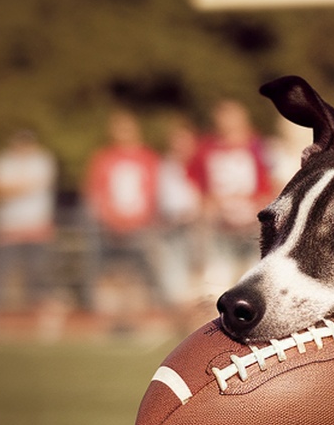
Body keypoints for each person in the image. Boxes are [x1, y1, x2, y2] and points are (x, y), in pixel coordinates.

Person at [84, 109, 161, 324]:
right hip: (109, 227)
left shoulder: (149, 157)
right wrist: (105, 219)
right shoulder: (103, 157)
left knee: (138, 276)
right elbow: (94, 193)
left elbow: (154, 193)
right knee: (112, 276)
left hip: (140, 227)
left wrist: (145, 220)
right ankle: (113, 321)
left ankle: (135, 320)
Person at [188, 99, 273, 293]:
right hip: (220, 225)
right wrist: (204, 206)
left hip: (252, 222)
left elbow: (270, 182)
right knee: (218, 281)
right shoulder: (207, 148)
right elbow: (196, 183)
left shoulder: (258, 146)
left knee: (254, 280)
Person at [0, 129, 58, 315]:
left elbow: (13, 188)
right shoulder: (2, 162)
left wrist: (13, 188)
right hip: (8, 227)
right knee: (1, 271)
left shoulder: (42, 161)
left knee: (38, 272)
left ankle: (34, 313)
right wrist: (22, 187)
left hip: (36, 225)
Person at [155, 118, 205, 317]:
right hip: (170, 227)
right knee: (175, 281)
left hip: (198, 228)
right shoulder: (165, 166)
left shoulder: (200, 166)